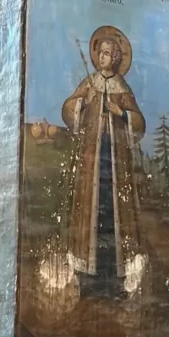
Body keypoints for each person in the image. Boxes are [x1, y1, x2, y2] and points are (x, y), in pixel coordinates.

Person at [62, 27, 145, 297]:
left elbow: (138, 123)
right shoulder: (90, 83)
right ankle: (87, 275)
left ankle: (114, 276)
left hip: (114, 163)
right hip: (92, 161)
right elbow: (69, 108)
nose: (102, 57)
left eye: (107, 54)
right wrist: (82, 104)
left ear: (116, 58)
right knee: (90, 211)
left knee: (114, 215)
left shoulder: (122, 88)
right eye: (100, 53)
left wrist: (121, 113)